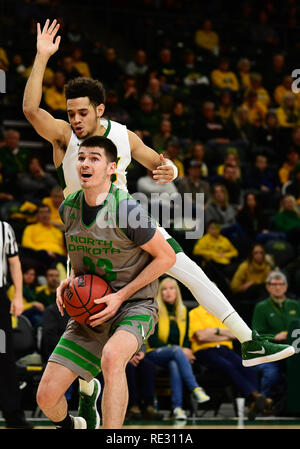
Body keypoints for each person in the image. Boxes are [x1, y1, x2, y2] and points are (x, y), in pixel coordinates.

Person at [23, 18, 295, 428]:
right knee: (83, 316)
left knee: (186, 267)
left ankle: (246, 339)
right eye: (70, 113)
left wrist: (170, 169)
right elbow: (29, 109)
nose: (75, 120)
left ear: (100, 110)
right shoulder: (63, 136)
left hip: (125, 221)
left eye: (82, 113)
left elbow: (160, 163)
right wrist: (42, 57)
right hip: (82, 229)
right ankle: (86, 394)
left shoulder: (124, 136)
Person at [36, 136, 176, 429]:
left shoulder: (127, 209)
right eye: (82, 157)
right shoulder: (68, 209)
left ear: (112, 168)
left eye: (95, 158)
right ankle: (75, 425)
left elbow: (166, 258)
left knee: (113, 357)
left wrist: (121, 296)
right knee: (46, 398)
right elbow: (79, 258)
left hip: (133, 305)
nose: (85, 163)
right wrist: (70, 280)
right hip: (91, 311)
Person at [189, 304, 273, 420]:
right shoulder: (194, 313)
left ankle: (253, 404)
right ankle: (255, 396)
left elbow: (235, 335)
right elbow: (201, 337)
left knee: (247, 364)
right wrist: (223, 333)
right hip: (204, 351)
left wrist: (214, 332)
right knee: (227, 366)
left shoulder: (223, 313)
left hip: (225, 349)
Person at [146, 277, 210, 420]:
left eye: (171, 288)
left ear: (177, 292)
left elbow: (186, 338)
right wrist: (181, 350)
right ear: (160, 293)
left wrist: (186, 350)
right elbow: (153, 341)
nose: (168, 292)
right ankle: (195, 388)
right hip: (154, 353)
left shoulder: (183, 311)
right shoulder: (154, 310)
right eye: (164, 289)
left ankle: (177, 408)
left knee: (174, 364)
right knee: (176, 351)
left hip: (175, 356)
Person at [0, 220, 32, 428]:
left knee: (3, 355)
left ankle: (13, 414)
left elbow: (14, 263)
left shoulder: (4, 228)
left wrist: (18, 296)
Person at [252, 272, 300, 398]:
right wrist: (274, 337)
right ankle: (264, 402)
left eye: (281, 284)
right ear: (268, 287)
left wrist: (288, 335)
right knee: (271, 373)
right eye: (274, 284)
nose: (277, 287)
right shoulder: (261, 307)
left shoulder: (295, 305)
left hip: (295, 351)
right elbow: (257, 335)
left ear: (286, 286)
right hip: (272, 352)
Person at [21, 203, 67, 275]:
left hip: (57, 257)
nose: (44, 215)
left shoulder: (57, 231)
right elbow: (26, 243)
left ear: (50, 214)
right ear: (37, 215)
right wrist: (46, 252)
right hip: (39, 255)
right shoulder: (30, 228)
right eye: (41, 212)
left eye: (46, 212)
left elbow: (63, 249)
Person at [125, 348, 163, 421]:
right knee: (129, 367)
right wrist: (127, 357)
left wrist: (142, 352)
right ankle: (133, 405)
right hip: (119, 357)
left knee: (148, 366)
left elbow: (143, 339)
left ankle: (148, 405)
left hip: (135, 355)